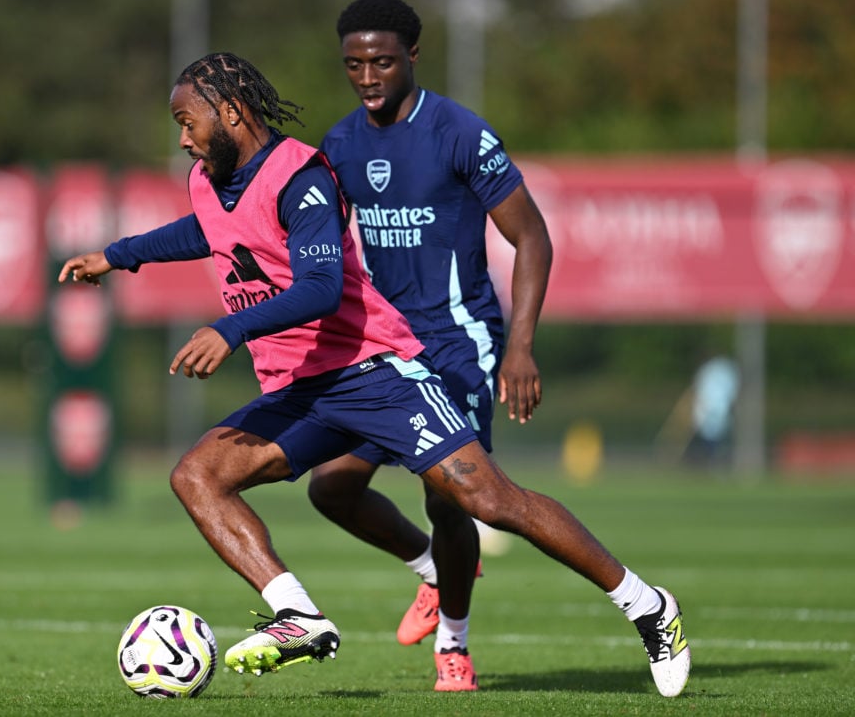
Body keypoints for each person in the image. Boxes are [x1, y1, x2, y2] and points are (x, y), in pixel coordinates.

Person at [57, 51, 691, 699]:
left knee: (488, 501)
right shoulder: (207, 179)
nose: (184, 138)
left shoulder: (301, 176)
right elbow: (212, 231)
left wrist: (231, 328)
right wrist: (119, 256)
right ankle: (298, 615)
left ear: (231, 111)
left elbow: (321, 287)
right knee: (198, 476)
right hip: (301, 387)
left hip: (374, 371)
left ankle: (646, 605)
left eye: (187, 121)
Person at [306, 0, 552, 692]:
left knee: (451, 499)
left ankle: (455, 645)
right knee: (331, 489)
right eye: (354, 64)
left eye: (382, 61)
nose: (367, 76)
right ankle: (431, 572)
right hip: (381, 347)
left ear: (412, 55)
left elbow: (530, 235)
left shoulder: (460, 133)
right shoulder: (341, 144)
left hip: (458, 345)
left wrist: (521, 347)